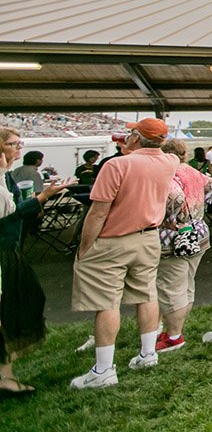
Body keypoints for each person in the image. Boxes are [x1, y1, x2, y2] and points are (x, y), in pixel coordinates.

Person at [70, 118, 180, 389]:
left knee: (107, 302)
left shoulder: (117, 165)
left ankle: (104, 369)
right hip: (148, 238)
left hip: (113, 240)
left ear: (135, 138)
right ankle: (148, 354)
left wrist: (85, 246)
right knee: (146, 293)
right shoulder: (170, 162)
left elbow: (98, 212)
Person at [1, 127, 72, 395]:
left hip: (10, 250)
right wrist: (42, 198)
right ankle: (5, 376)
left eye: (20, 143)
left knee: (15, 308)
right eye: (12, 144)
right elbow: (6, 212)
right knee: (9, 311)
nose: (18, 148)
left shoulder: (8, 175)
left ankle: (5, 374)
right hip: (3, 252)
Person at [154, 139, 212, 353]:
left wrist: (170, 216)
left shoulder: (170, 173)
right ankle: (175, 328)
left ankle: (174, 336)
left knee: (171, 286)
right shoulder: (192, 171)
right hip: (198, 232)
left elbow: (175, 195)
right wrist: (199, 208)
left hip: (175, 236)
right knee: (187, 284)